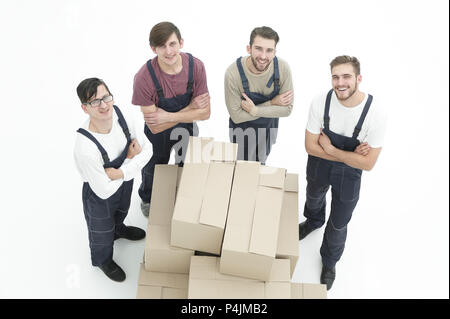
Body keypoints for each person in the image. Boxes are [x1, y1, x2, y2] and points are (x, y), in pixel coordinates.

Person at [299, 56, 387, 290]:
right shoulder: (320, 102)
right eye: (335, 76)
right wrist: (351, 156)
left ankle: (329, 261)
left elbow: (368, 164)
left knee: (339, 223)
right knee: (314, 196)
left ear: (359, 78)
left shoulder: (375, 113)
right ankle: (313, 220)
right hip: (320, 164)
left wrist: (328, 148)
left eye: (346, 76)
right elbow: (310, 146)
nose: (340, 82)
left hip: (348, 174)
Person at [74, 78, 151, 282]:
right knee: (101, 231)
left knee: (122, 209)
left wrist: (122, 170)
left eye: (106, 97)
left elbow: (148, 151)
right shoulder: (85, 148)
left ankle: (119, 229)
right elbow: (104, 191)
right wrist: (131, 163)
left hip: (122, 182)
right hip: (99, 194)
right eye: (94, 102)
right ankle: (102, 260)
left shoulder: (124, 116)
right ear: (84, 108)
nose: (104, 105)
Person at [132, 21, 210, 217]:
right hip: (158, 135)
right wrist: (191, 108)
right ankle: (148, 198)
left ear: (181, 43)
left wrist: (167, 115)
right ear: (153, 48)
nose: (168, 51)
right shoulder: (144, 77)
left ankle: (182, 195)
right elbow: (155, 127)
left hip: (187, 128)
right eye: (162, 46)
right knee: (154, 167)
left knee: (187, 163)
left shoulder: (196, 66)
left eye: (172, 44)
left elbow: (206, 113)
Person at [225, 26, 294, 164]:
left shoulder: (282, 68)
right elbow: (237, 116)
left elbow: (287, 110)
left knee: (261, 164)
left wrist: (255, 109)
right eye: (258, 48)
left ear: (275, 52)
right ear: (248, 48)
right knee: (241, 167)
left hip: (269, 128)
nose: (263, 56)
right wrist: (272, 103)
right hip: (242, 129)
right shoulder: (233, 73)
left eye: (269, 50)